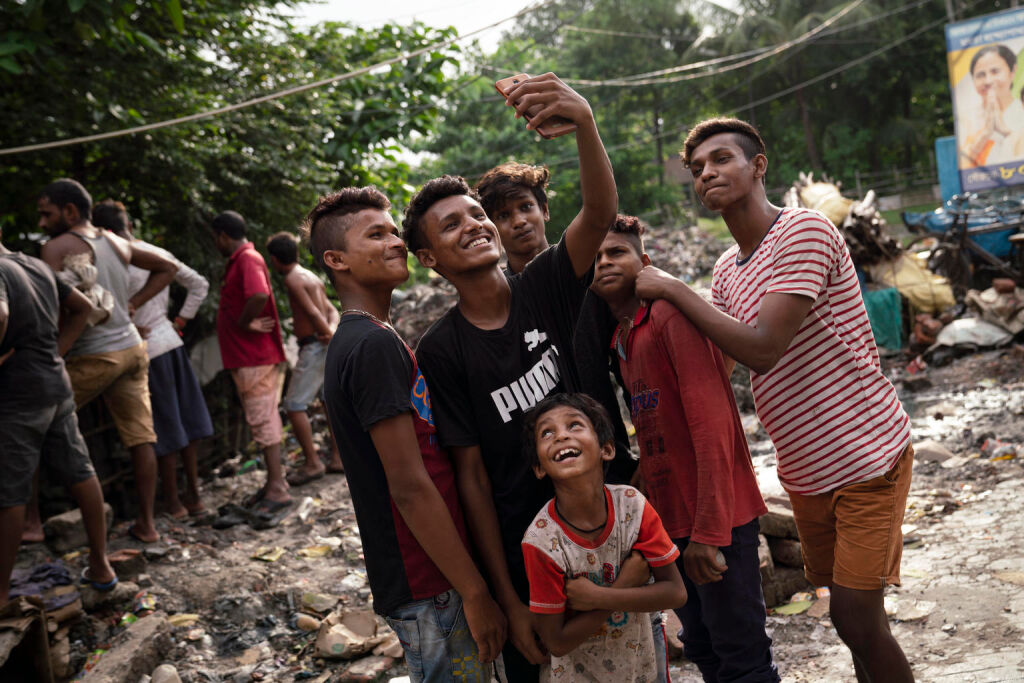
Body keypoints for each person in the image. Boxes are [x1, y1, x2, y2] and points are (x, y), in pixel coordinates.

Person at [637, 118, 914, 683]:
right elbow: (726, 361)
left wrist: (672, 289)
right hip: (806, 472)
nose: (707, 173)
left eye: (721, 160)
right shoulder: (726, 269)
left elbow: (763, 348)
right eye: (697, 169)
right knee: (855, 623)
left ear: (758, 165)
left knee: (855, 617)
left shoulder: (802, 231)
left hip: (866, 457)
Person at [406, 73, 616, 680]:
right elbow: (471, 479)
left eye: (477, 214)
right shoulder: (441, 351)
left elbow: (599, 211)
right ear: (429, 259)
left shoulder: (544, 284)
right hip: (523, 548)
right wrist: (503, 598)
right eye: (451, 226)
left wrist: (585, 122)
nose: (474, 224)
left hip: (596, 525)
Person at [304, 186, 506, 680]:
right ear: (337, 260)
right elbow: (410, 486)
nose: (395, 241)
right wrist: (475, 592)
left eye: (395, 231)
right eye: (376, 235)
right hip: (428, 579)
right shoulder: (370, 346)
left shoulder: (367, 337)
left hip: (427, 576)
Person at [590, 214, 779, 682]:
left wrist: (709, 533)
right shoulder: (622, 338)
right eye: (595, 259)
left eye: (616, 252)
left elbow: (713, 427)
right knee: (703, 647)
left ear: (645, 263)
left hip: (716, 520)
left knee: (742, 655)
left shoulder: (670, 317)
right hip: (673, 523)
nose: (604, 263)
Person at [476, 162, 636, 486]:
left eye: (526, 207)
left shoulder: (592, 286)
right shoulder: (499, 307)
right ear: (491, 228)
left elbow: (633, 377)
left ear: (544, 210)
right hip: (544, 474)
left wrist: (646, 460)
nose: (519, 221)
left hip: (611, 462)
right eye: (503, 216)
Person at [38, 179, 178, 544]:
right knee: (141, 437)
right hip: (132, 350)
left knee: (31, 425)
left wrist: (51, 353)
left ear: (69, 211)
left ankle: (29, 523)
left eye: (46, 213)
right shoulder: (116, 241)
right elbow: (167, 266)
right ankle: (146, 525)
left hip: (94, 354)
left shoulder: (57, 247)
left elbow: (52, 311)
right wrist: (133, 303)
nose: (41, 222)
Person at [520, 393, 686, 681]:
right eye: (547, 432)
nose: (561, 436)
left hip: (640, 669)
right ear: (539, 467)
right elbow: (556, 641)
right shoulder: (541, 541)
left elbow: (675, 592)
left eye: (574, 425)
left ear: (606, 449)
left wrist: (599, 596)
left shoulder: (633, 507)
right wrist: (622, 587)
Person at [0, 227, 117, 603]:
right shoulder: (34, 265)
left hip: (18, 394)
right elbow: (83, 307)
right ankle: (101, 567)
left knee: (10, 491)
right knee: (80, 471)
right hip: (55, 382)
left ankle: (0, 594)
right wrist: (56, 350)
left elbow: (0, 313)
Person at [92, 200, 214, 519]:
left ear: (100, 232)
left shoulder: (108, 260)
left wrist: (132, 319)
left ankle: (173, 503)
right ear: (128, 225)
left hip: (141, 348)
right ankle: (194, 496)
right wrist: (179, 321)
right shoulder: (156, 254)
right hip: (170, 341)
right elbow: (199, 284)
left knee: (163, 427)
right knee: (185, 421)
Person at [212, 211, 291, 516]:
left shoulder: (247, 259)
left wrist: (245, 324)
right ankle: (273, 484)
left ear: (222, 235)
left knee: (264, 421)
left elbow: (258, 294)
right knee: (262, 420)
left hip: (253, 355)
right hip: (248, 357)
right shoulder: (244, 259)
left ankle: (277, 488)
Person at [265, 231, 344, 484]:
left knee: (294, 405)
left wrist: (325, 333)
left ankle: (312, 462)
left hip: (314, 346)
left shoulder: (292, 279)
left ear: (276, 260)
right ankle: (338, 458)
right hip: (323, 343)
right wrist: (331, 331)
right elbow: (332, 309)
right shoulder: (310, 276)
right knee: (328, 401)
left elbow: (312, 312)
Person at [960, 44, 1024, 167]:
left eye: (995, 71)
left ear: (1013, 71)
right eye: (980, 75)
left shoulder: (1021, 110)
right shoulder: (966, 119)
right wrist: (986, 133)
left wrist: (1006, 133)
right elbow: (963, 166)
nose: (988, 81)